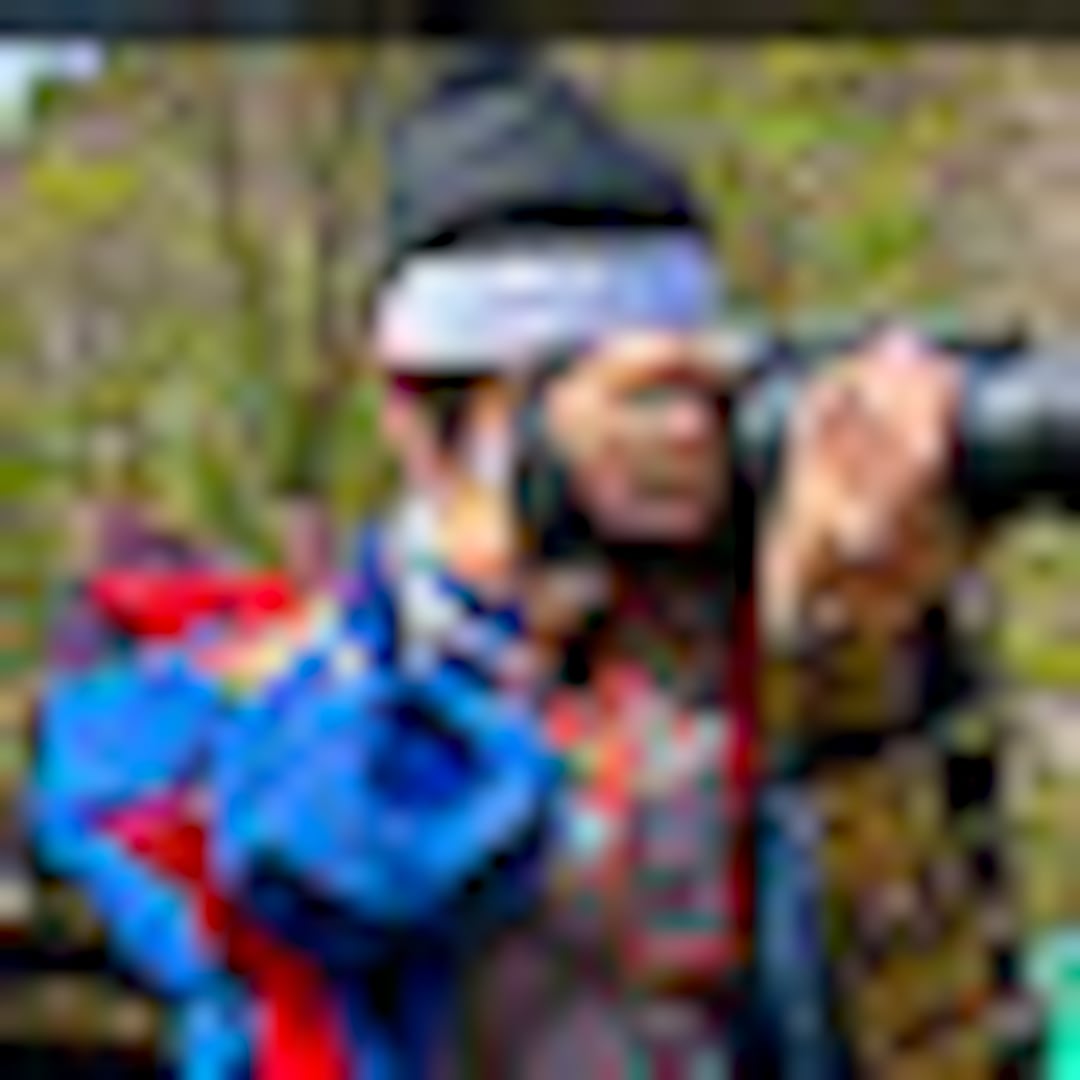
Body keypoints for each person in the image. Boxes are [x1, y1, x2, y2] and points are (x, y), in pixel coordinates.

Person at [28, 48, 1080, 1079]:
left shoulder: (754, 663)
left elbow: (949, 1046)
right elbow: (317, 871)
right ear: (415, 417)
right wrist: (487, 579)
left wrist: (852, 677)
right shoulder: (251, 698)